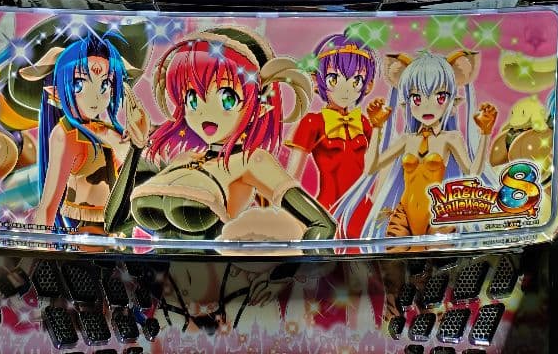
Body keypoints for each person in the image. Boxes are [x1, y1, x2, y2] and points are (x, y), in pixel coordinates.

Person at [106, 26, 335, 242]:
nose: (205, 112)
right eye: (192, 99)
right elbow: (114, 225)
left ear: (261, 106)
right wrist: (136, 146)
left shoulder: (252, 161)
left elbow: (323, 225)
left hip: (215, 269)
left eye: (227, 98)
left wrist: (296, 264)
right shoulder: (184, 159)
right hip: (155, 270)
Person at [336, 49, 497, 239]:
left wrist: (485, 134)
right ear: (407, 101)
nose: (427, 107)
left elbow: (473, 172)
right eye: (417, 98)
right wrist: (377, 126)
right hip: (403, 215)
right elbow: (371, 168)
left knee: (439, 254)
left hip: (438, 215)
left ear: (451, 100)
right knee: (395, 256)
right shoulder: (407, 139)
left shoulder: (450, 138)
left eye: (440, 97)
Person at [17, 28, 150, 233]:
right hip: (89, 233)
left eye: (104, 85)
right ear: (58, 89)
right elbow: (49, 205)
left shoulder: (111, 131)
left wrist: (138, 140)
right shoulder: (66, 134)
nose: (95, 97)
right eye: (79, 84)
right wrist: (42, 244)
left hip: (124, 231)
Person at [285, 31, 381, 237]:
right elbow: (291, 179)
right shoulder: (312, 122)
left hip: (363, 211)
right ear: (316, 80)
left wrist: (377, 127)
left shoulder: (364, 122)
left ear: (368, 85)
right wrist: (297, 218)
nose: (346, 90)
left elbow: (376, 167)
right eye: (334, 79)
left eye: (356, 80)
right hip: (328, 212)